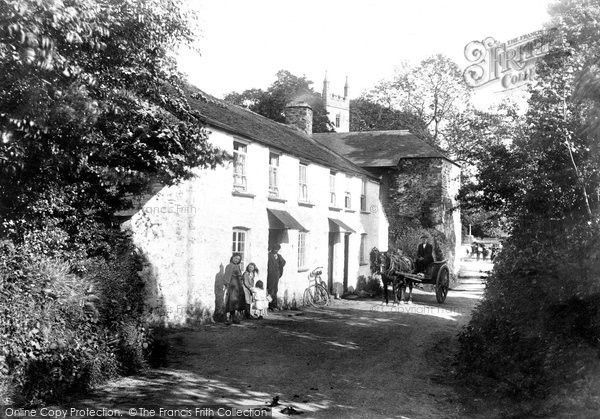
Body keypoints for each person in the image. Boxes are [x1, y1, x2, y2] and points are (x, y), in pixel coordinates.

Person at [223, 253, 245, 324]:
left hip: (238, 286)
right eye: (235, 258)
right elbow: (227, 276)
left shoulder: (237, 266)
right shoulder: (229, 266)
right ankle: (229, 318)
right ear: (232, 257)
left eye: (238, 259)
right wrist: (226, 285)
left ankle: (234, 317)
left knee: (236, 302)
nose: (237, 260)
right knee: (231, 301)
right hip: (232, 286)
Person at [267, 244, 286, 310]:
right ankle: (270, 305)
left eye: (277, 250)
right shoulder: (269, 255)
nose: (276, 251)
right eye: (275, 250)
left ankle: (274, 304)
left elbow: (283, 262)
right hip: (270, 275)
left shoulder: (279, 256)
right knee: (270, 290)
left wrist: (279, 269)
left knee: (275, 290)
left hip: (276, 275)